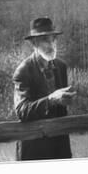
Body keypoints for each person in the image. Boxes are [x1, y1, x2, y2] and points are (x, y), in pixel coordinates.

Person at [13, 17, 76, 160]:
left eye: (54, 40)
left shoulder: (61, 67)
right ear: (34, 43)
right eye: (46, 41)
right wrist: (51, 100)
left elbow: (61, 111)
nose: (51, 45)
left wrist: (67, 99)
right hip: (34, 150)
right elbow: (22, 110)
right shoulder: (23, 71)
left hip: (60, 149)